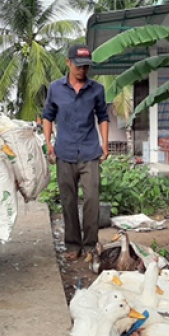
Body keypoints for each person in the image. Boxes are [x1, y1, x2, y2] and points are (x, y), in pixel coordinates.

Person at [42, 44, 110, 261]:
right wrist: (48, 143)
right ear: (68, 63)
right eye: (79, 66)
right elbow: (47, 116)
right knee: (68, 200)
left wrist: (105, 144)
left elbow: (103, 117)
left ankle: (90, 244)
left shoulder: (97, 89)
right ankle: (72, 244)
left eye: (86, 66)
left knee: (91, 199)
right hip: (65, 151)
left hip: (90, 151)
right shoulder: (55, 88)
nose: (83, 70)